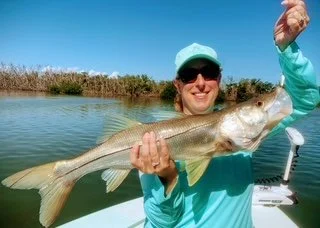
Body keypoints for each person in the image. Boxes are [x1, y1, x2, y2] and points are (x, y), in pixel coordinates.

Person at [130, 0, 319, 227]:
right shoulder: (152, 141)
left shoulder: (248, 134)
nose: (200, 83)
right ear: (177, 85)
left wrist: (287, 48)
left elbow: (305, 99)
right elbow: (163, 222)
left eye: (208, 73)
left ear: (218, 80)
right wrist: (167, 177)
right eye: (189, 75)